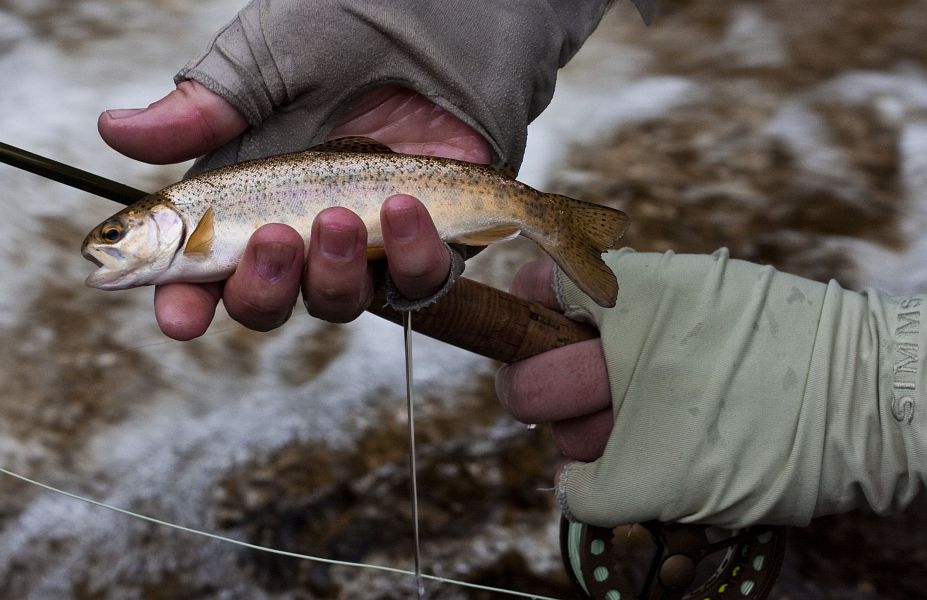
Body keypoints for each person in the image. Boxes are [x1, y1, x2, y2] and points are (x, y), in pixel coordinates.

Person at [98, 0, 926, 531]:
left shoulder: (195, 225)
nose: (107, 248)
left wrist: (892, 390)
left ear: (162, 224)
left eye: (118, 234)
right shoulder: (195, 222)